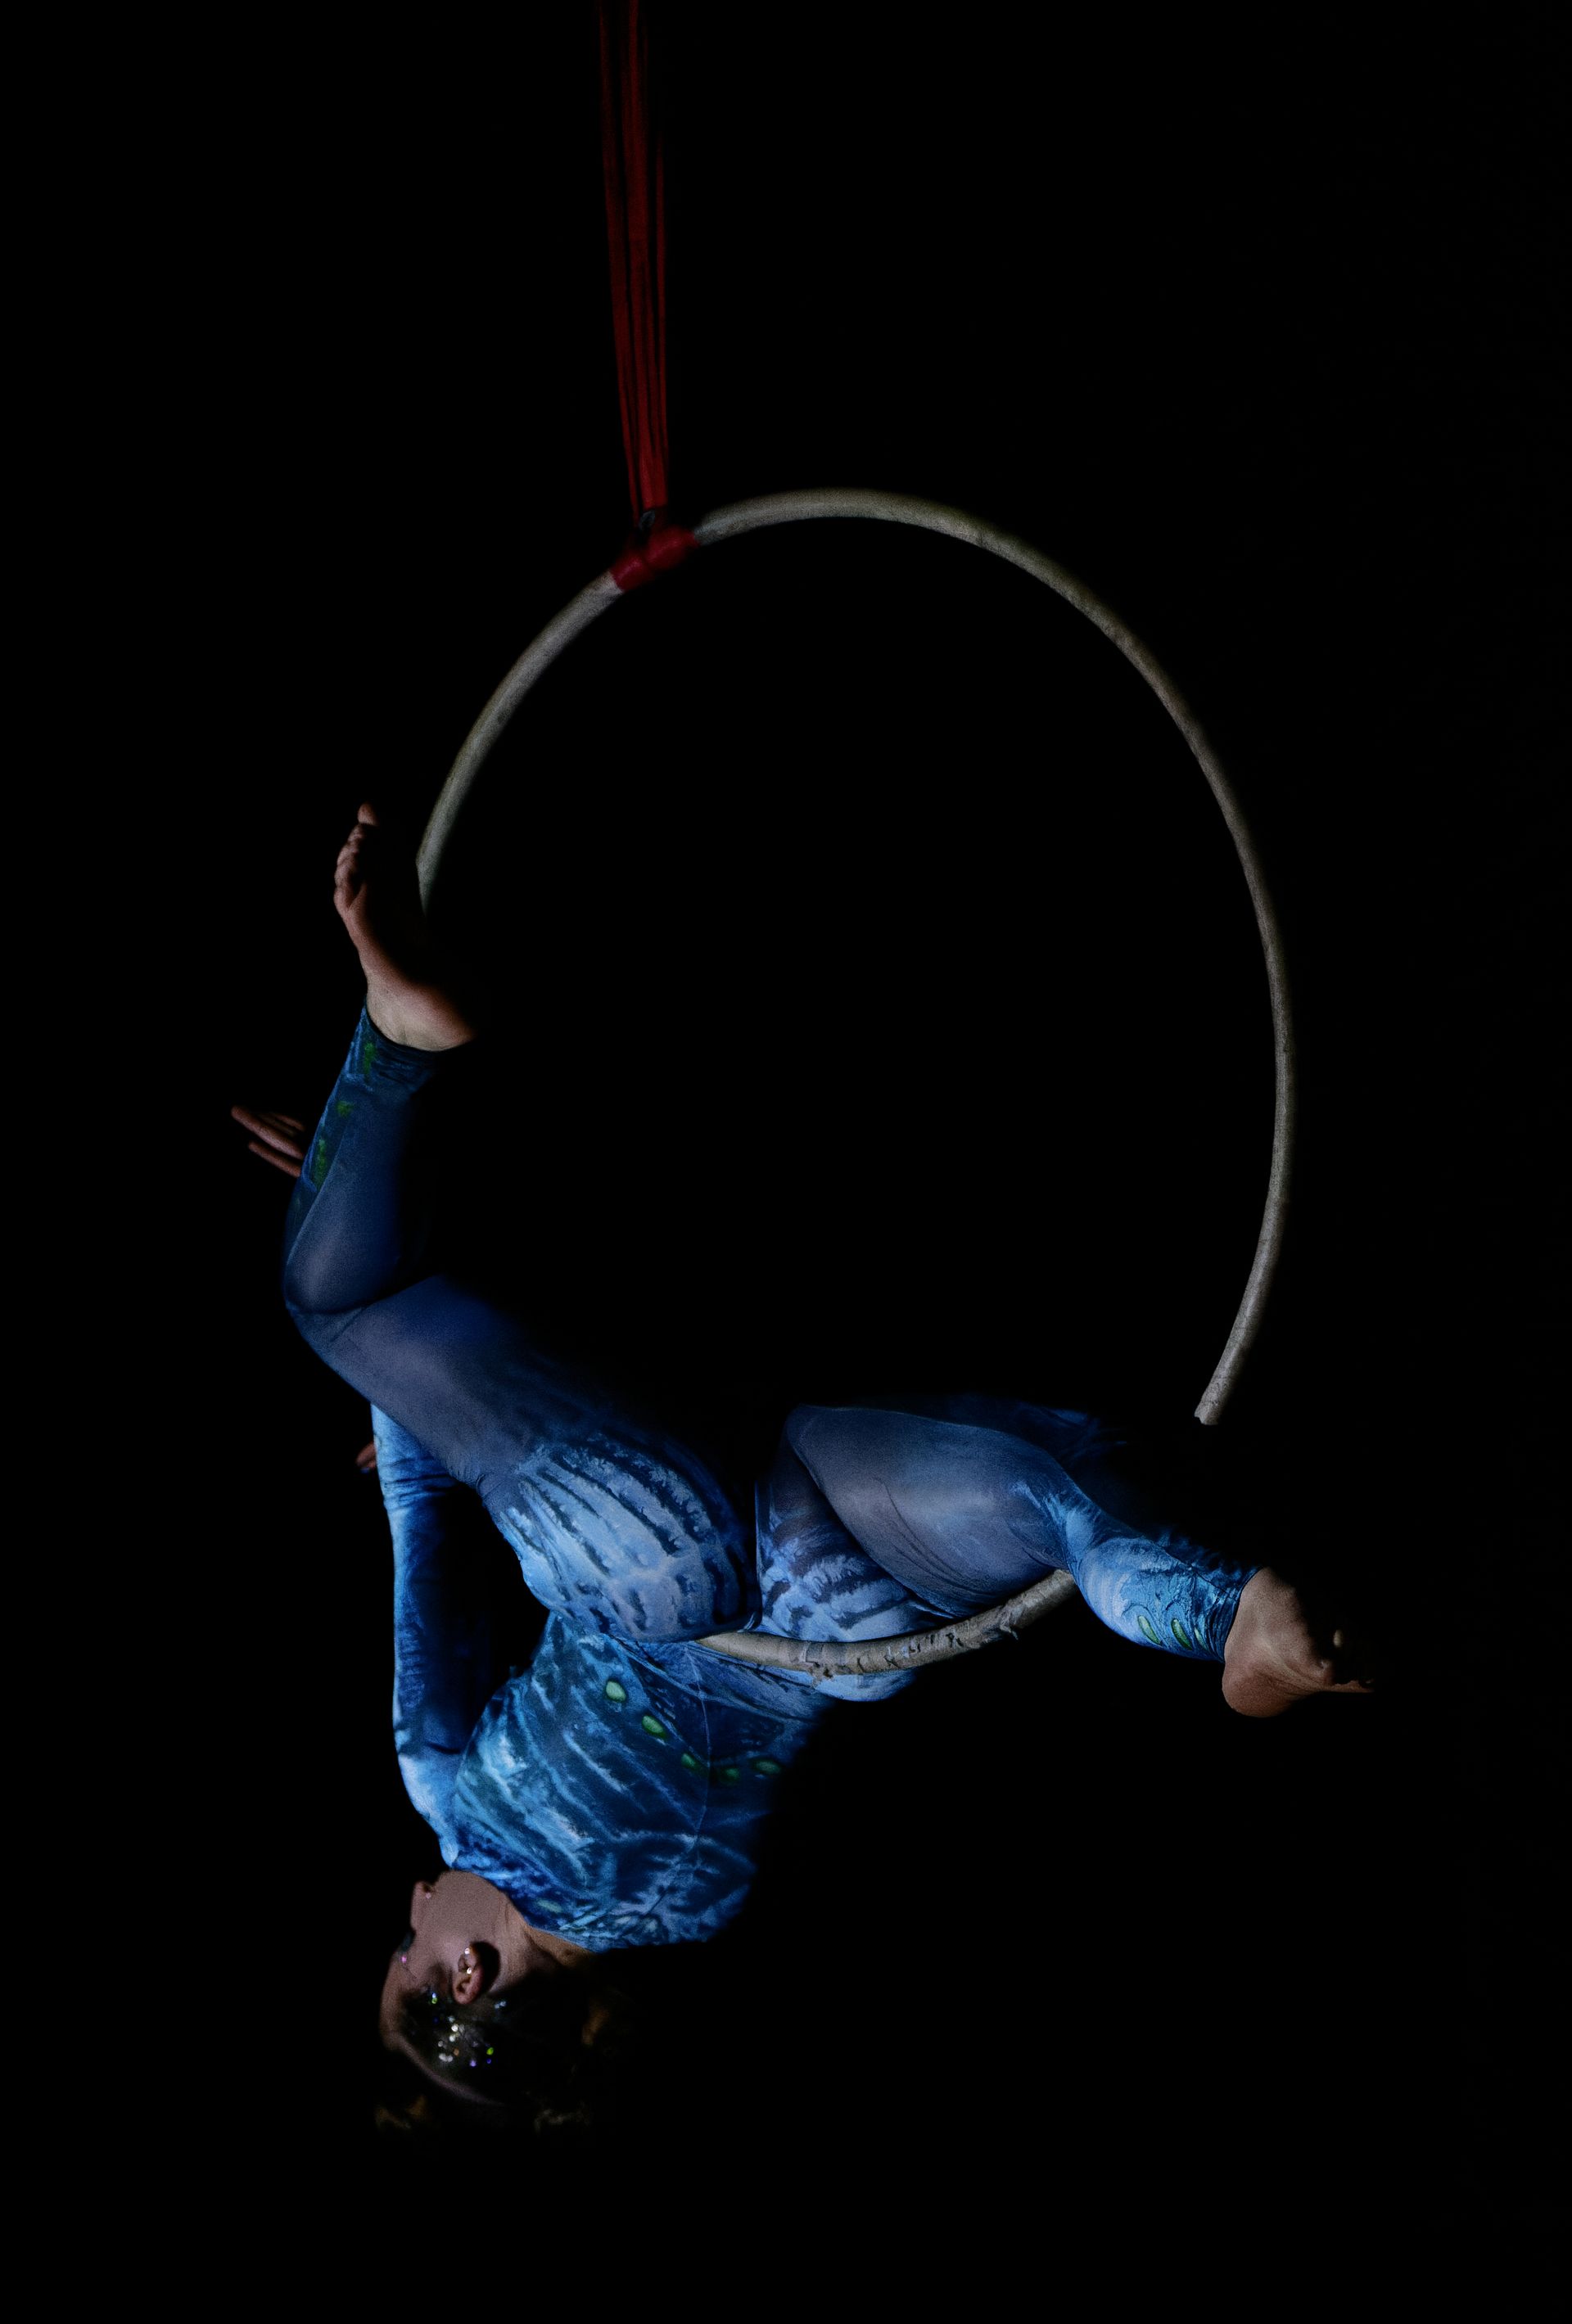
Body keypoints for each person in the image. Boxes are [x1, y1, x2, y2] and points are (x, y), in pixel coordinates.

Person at [237, 803, 1373, 2138]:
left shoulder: (690, 1914)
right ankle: (401, 1038)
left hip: (844, 1621)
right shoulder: (447, 1798)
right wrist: (391, 1336)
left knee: (1059, 1489)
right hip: (647, 1563)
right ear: (466, 1971)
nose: (413, 1907)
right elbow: (423, 1522)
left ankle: (1219, 1613)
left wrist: (411, 1330)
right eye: (406, 1949)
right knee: (340, 1300)